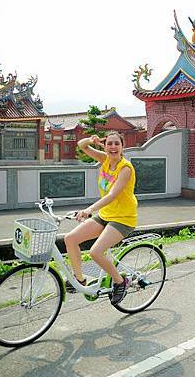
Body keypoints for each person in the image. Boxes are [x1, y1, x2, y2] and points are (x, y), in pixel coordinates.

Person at [63, 131, 137, 305]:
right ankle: (80, 280)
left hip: (123, 218)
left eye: (116, 144)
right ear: (104, 146)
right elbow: (81, 145)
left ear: (122, 147)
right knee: (70, 238)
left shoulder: (125, 168)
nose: (112, 147)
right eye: (109, 143)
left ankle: (120, 282)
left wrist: (89, 210)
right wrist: (92, 140)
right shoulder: (104, 159)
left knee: (95, 252)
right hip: (106, 215)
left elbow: (112, 195)